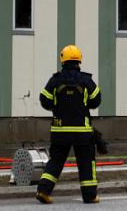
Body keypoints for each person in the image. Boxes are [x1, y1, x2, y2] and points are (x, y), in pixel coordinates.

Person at [36, 45, 102, 205]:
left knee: (56, 161)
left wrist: (56, 106)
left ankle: (43, 191)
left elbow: (44, 100)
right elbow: (96, 100)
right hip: (82, 131)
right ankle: (90, 196)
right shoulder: (86, 80)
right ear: (79, 60)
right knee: (86, 163)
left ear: (62, 60)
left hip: (60, 130)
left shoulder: (55, 80)